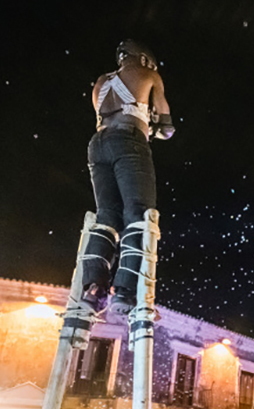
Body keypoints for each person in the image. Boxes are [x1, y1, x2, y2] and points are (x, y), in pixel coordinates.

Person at [78, 39, 174, 321]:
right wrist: (154, 127)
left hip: (97, 144)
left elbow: (111, 112)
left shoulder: (100, 82)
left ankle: (93, 289)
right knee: (138, 213)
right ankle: (125, 290)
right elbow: (167, 127)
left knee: (106, 216)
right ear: (144, 59)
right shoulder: (148, 75)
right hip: (129, 141)